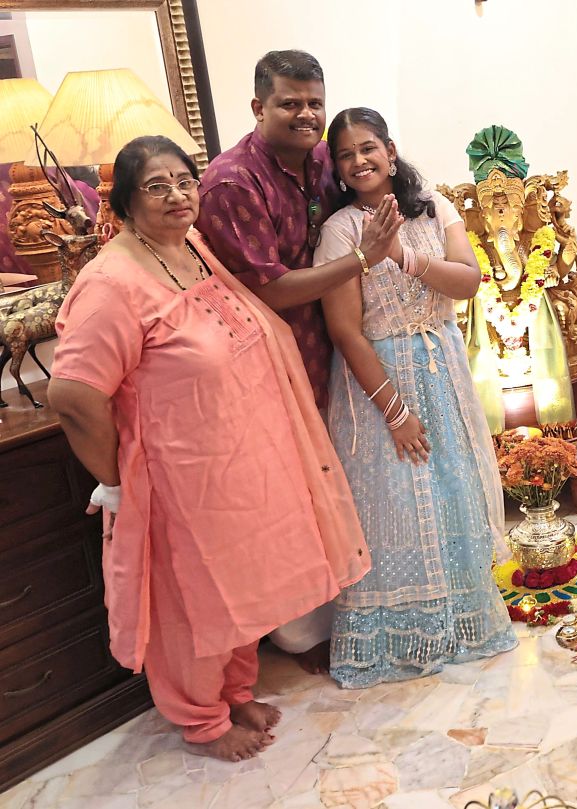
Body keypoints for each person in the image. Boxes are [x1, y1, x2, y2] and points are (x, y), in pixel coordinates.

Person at [47, 136, 371, 762]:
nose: (177, 195)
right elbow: (73, 396)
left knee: (243, 586)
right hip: (175, 481)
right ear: (120, 204)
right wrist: (117, 481)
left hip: (237, 468)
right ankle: (201, 719)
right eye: (156, 185)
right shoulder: (109, 283)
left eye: (185, 180)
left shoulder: (191, 246)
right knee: (194, 603)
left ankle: (235, 689)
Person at [197, 50, 402, 672]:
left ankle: (349, 613)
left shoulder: (321, 159)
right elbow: (268, 289)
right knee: (285, 496)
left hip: (332, 349)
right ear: (258, 107)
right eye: (290, 103)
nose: (307, 114)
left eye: (314, 101)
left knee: (337, 481)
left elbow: (370, 190)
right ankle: (298, 637)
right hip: (265, 363)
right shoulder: (233, 183)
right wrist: (365, 260)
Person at [314, 108, 517, 687]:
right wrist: (395, 410)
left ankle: (462, 622)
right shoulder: (340, 230)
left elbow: (469, 281)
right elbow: (345, 330)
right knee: (397, 501)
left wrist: (401, 255)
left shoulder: (433, 208)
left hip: (443, 362)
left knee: (453, 485)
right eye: (346, 154)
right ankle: (400, 638)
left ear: (391, 148)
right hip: (381, 376)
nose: (359, 162)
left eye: (368, 147)